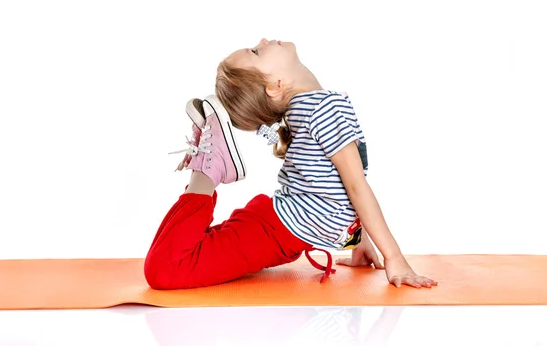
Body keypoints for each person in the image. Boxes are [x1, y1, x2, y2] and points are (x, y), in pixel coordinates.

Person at [144, 38, 438, 290]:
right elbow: (355, 186)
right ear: (275, 85)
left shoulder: (315, 107)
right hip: (272, 231)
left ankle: (209, 169)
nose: (262, 40)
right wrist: (394, 258)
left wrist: (359, 243)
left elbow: (333, 184)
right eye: (256, 52)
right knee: (167, 269)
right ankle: (209, 169)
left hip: (276, 230)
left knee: (178, 259)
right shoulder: (323, 108)